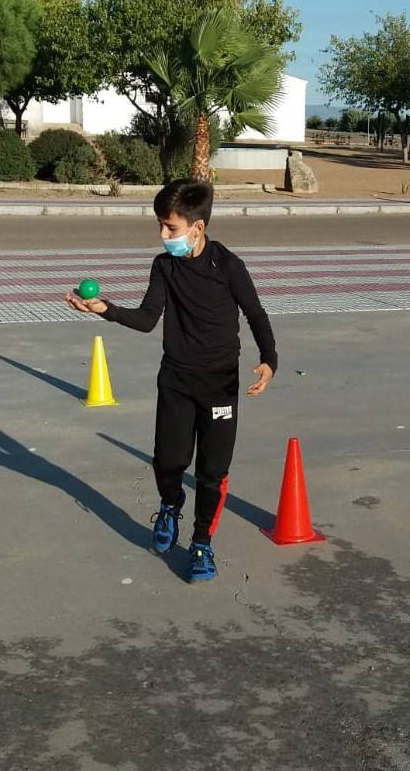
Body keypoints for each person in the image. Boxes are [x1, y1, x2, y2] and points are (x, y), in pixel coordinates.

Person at [65, 179, 277, 581]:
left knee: (213, 472)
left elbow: (256, 314)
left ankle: (201, 545)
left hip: (219, 385)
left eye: (171, 228)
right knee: (169, 461)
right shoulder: (164, 266)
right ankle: (169, 506)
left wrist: (270, 360)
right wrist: (103, 308)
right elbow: (147, 320)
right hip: (176, 380)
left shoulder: (229, 267)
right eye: (161, 227)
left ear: (196, 228)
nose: (163, 235)